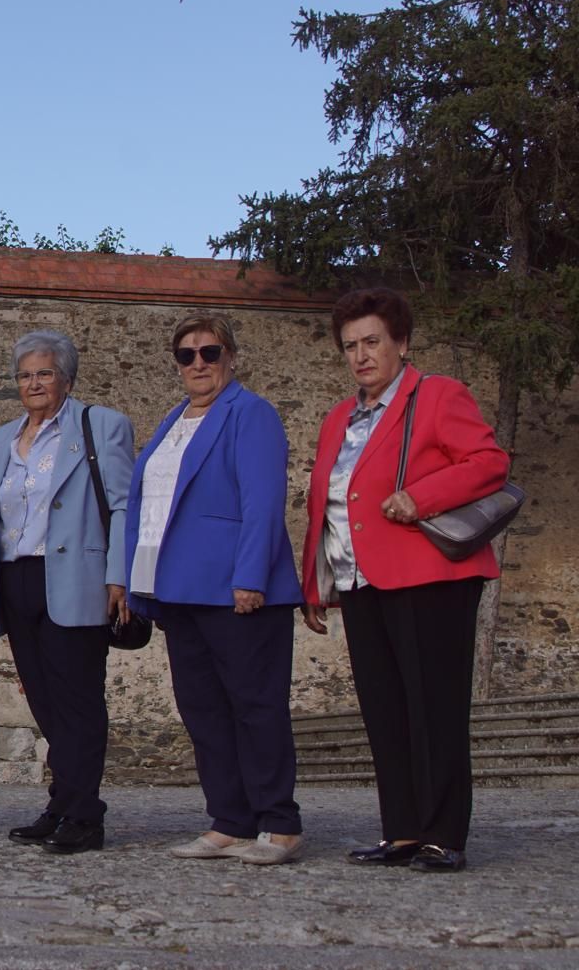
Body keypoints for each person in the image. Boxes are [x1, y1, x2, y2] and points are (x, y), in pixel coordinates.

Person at [302, 288, 509, 873]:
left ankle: (444, 834)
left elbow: (489, 462)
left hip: (431, 577)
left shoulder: (438, 395)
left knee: (434, 708)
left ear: (402, 343)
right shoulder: (338, 419)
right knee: (384, 710)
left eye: (372, 341)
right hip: (360, 582)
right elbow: (327, 505)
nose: (361, 355)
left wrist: (421, 496)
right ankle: (402, 831)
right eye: (350, 346)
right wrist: (315, 581)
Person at [125, 313, 306, 865]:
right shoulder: (173, 421)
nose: (198, 363)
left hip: (235, 588)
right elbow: (152, 507)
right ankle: (230, 819)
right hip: (178, 589)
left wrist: (250, 576)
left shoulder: (251, 413)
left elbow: (262, 501)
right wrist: (140, 584)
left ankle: (279, 822)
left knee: (256, 705)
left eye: (210, 352)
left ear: (230, 356)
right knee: (202, 709)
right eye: (187, 354)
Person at [0, 331, 134, 855]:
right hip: (16, 577)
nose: (33, 383)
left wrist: (119, 576)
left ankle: (85, 816)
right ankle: (63, 802)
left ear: (66, 378)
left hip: (74, 577)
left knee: (78, 700)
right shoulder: (2, 439)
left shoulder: (100, 425)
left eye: (44, 373)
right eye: (25, 375)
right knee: (44, 700)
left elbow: (122, 505)